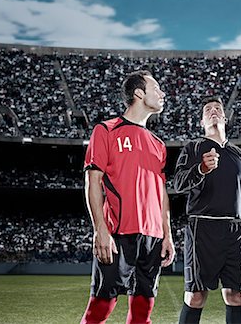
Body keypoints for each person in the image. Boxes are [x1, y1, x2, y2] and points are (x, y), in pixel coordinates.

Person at [80, 70, 175, 324]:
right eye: (156, 88)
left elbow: (161, 193)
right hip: (118, 234)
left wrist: (167, 234)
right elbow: (94, 181)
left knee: (142, 315)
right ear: (139, 93)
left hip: (153, 239)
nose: (162, 93)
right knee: (98, 312)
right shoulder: (106, 130)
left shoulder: (159, 144)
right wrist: (100, 228)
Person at [174, 97, 241, 324]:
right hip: (202, 228)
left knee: (236, 296)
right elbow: (178, 183)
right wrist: (200, 168)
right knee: (196, 296)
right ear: (202, 121)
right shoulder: (193, 147)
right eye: (208, 110)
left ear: (225, 118)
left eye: (218, 109)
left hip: (236, 231)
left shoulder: (238, 154)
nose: (213, 111)